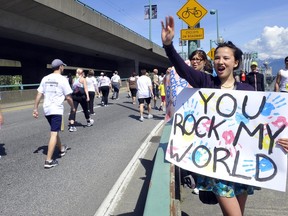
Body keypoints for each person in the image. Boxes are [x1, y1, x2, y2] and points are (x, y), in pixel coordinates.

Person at [161, 16, 259, 216]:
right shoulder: (207, 82)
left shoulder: (248, 90)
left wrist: (279, 141)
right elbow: (183, 69)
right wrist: (169, 46)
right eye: (217, 57)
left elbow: (262, 124)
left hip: (242, 162)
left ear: (236, 62)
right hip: (218, 165)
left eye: (226, 58)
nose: (220, 62)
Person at [33, 59, 75, 168]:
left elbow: (39, 94)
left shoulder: (45, 78)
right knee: (54, 133)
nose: (63, 68)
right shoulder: (63, 79)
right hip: (56, 109)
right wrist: (73, 107)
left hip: (46, 109)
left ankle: (61, 149)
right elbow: (69, 97)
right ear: (60, 67)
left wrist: (35, 108)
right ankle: (49, 161)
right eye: (63, 66)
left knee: (54, 130)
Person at [68, 68, 94, 132]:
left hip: (74, 96)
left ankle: (72, 125)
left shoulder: (73, 79)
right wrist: (87, 97)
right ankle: (88, 121)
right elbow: (85, 88)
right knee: (85, 109)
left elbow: (72, 88)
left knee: (73, 110)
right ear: (82, 73)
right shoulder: (83, 79)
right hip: (82, 97)